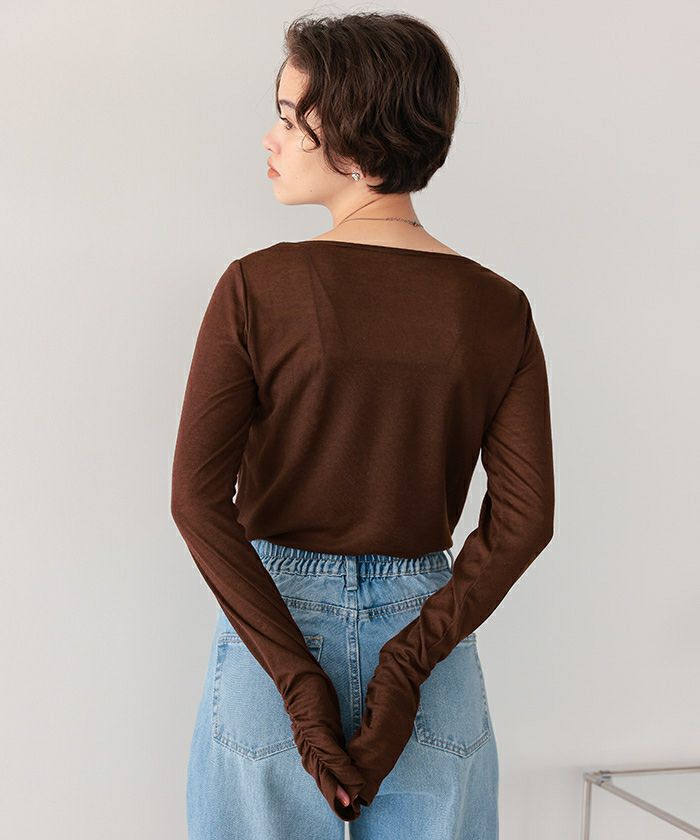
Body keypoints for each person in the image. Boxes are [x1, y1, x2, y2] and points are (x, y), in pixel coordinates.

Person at [170, 11, 555, 840]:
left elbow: (196, 503)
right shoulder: (499, 309)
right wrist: (406, 668)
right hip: (430, 636)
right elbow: (525, 521)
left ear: (348, 136)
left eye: (288, 117)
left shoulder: (257, 288)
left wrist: (299, 686)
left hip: (271, 636)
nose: (271, 138)